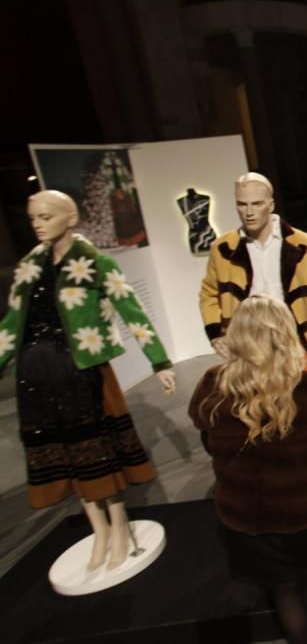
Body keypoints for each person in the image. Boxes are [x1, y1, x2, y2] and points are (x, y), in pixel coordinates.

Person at [0, 190, 175, 571]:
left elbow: (131, 309)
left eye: (46, 216)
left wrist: (159, 361)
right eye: (33, 217)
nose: (38, 223)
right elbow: (12, 323)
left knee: (99, 453)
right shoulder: (29, 267)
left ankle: (118, 525)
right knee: (67, 455)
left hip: (84, 370)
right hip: (38, 375)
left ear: (69, 217)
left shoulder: (93, 262)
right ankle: (98, 530)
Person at [189, 296, 307, 644]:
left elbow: (208, 445)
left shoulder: (212, 385)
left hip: (249, 520)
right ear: (284, 333)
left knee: (286, 592)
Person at [199, 172, 307, 374]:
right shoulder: (223, 249)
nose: (249, 212)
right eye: (242, 204)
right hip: (248, 346)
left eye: (257, 204)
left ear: (271, 205)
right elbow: (208, 294)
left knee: (301, 402)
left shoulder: (306, 246)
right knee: (255, 403)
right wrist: (215, 334)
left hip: (297, 341)